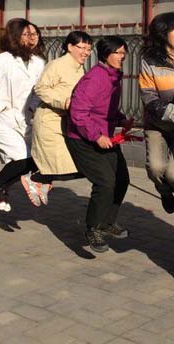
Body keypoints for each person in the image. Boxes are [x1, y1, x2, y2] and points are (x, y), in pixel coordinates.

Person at [65, 36, 133, 254]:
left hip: (105, 137)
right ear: (106, 54)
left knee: (121, 179)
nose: (122, 57)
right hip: (83, 139)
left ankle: (107, 222)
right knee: (105, 182)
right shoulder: (94, 78)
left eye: (124, 53)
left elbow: (104, 109)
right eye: (118, 53)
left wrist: (121, 119)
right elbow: (78, 112)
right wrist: (96, 136)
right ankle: (93, 228)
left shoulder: (113, 76)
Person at [0, 19, 46, 211]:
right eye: (26, 34)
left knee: (29, 162)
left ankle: (1, 187)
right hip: (0, 119)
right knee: (21, 158)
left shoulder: (38, 62)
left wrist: (32, 108)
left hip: (24, 119)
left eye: (34, 33)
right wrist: (2, 108)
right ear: (15, 37)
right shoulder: (3, 60)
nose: (31, 37)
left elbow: (39, 91)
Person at [25, 30, 93, 206]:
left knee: (74, 166)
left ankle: (42, 181)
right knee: (61, 166)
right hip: (49, 121)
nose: (86, 52)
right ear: (70, 47)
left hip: (68, 123)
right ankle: (35, 179)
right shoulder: (56, 65)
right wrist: (63, 102)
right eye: (82, 47)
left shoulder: (80, 68)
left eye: (89, 49)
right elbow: (40, 89)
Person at [138, 12, 174, 214]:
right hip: (157, 124)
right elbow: (149, 97)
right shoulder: (149, 61)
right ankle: (163, 191)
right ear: (164, 32)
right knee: (155, 169)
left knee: (173, 174)